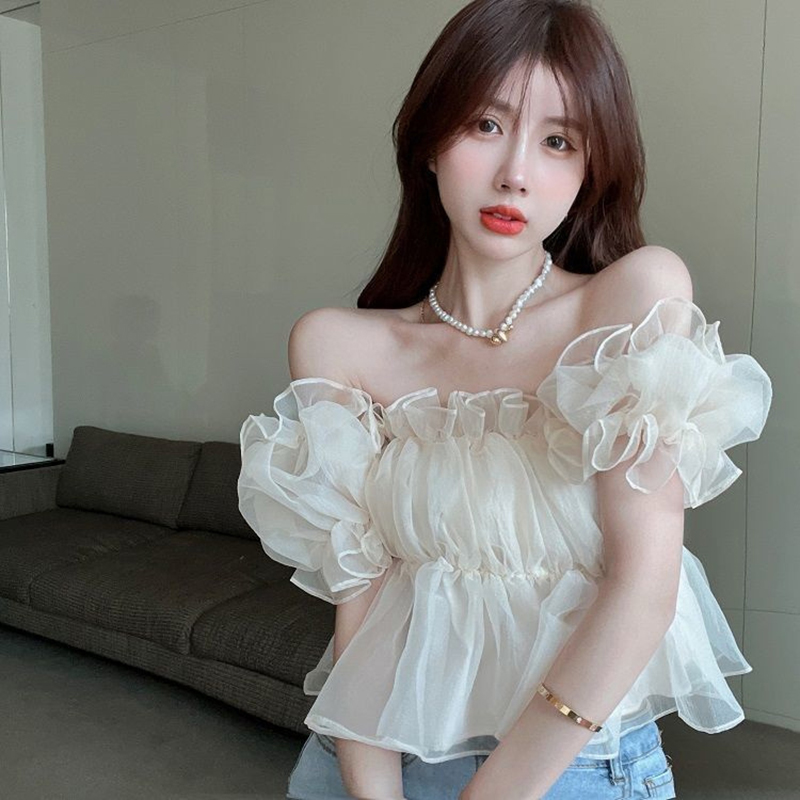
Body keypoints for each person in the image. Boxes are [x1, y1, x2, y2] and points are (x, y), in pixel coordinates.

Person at [237, 0, 773, 798]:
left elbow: (642, 589)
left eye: (558, 141)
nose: (516, 173)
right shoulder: (338, 347)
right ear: (430, 140)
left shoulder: (630, 304)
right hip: (365, 757)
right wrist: (373, 790)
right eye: (486, 125)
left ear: (590, 169)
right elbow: (363, 602)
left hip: (565, 765)